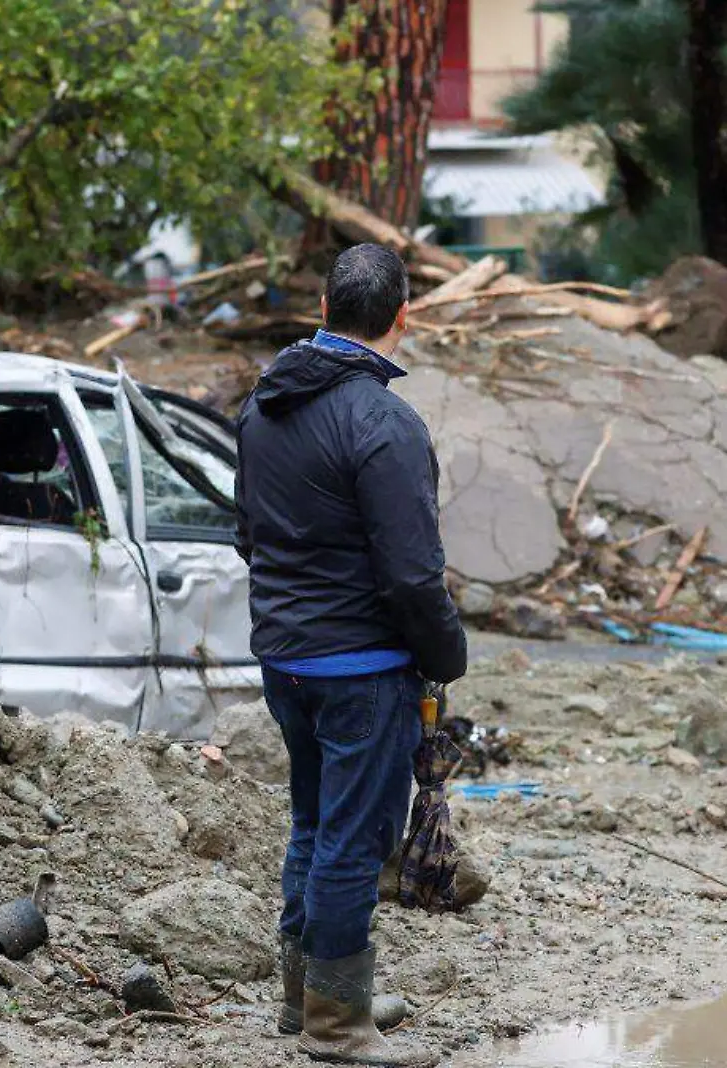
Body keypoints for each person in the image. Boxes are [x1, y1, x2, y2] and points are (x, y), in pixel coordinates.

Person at [234, 243, 466, 1067]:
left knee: (315, 824)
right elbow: (411, 576)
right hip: (361, 669)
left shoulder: (261, 407)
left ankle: (310, 999)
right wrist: (449, 651)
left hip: (285, 660)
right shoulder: (385, 422)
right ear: (404, 318)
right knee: (355, 842)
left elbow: (247, 537)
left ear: (323, 309)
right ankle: (338, 1025)